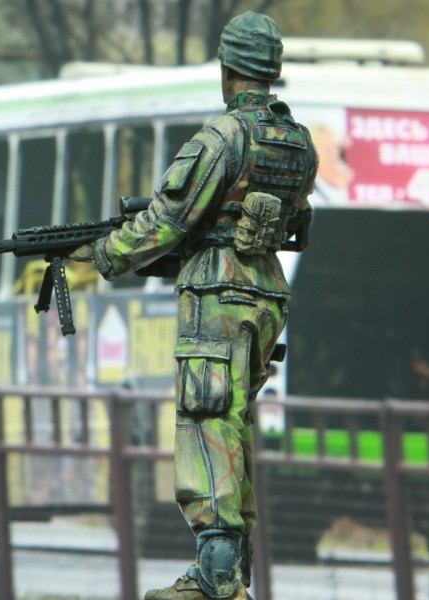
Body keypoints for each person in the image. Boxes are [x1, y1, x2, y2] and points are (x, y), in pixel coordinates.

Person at [71, 11, 317, 599]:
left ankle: (215, 577)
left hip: (218, 295)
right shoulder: (297, 142)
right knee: (233, 423)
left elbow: (166, 222)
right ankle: (233, 574)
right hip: (266, 294)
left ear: (227, 68)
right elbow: (290, 219)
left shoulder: (221, 138)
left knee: (207, 421)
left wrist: (101, 252)